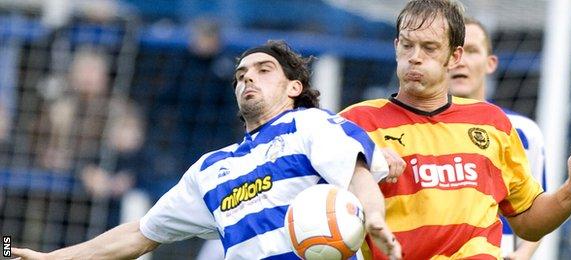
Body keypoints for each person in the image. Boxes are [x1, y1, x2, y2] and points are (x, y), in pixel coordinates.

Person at [13, 40, 402, 259]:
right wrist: (52, 259)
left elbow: (358, 176)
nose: (248, 76)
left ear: (294, 87)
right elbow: (139, 234)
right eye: (241, 74)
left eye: (263, 70)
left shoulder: (312, 125)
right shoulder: (211, 169)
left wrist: (375, 219)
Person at [340, 0, 571, 259]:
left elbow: (528, 222)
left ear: (454, 55)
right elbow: (320, 207)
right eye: (407, 45)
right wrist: (366, 168)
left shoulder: (493, 123)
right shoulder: (355, 123)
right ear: (396, 45)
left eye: (429, 47)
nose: (415, 57)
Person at [448, 17, 546, 259]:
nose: (461, 62)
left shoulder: (522, 131)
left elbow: (538, 208)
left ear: (490, 63)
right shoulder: (416, 129)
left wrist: (522, 254)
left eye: (471, 51)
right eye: (453, 52)